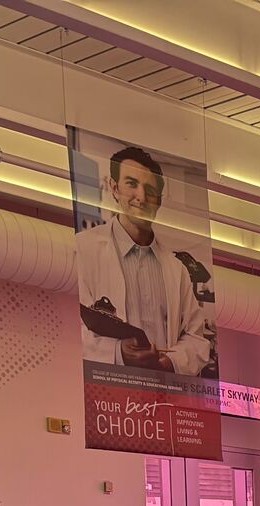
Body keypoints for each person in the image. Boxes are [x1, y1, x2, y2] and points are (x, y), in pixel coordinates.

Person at [74, 143, 214, 373]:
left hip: (163, 391)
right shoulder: (83, 249)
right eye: (132, 184)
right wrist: (118, 352)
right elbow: (72, 329)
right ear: (114, 188)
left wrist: (169, 361)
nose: (141, 196)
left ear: (158, 200)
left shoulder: (175, 268)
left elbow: (197, 339)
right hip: (105, 393)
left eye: (150, 190)